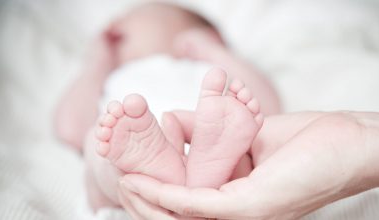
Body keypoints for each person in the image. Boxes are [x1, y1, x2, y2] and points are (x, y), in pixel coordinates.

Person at [54, 2, 280, 211]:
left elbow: (268, 109)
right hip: (127, 184)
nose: (114, 28)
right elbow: (70, 130)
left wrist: (214, 51)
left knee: (246, 144)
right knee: (98, 143)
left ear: (207, 35)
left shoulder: (209, 69)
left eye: (129, 21)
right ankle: (170, 174)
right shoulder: (111, 77)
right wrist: (97, 63)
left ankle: (201, 172)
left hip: (211, 155)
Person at [117, 110, 379, 219]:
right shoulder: (116, 66)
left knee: (115, 174)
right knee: (114, 162)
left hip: (163, 120)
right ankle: (199, 173)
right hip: (147, 128)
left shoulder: (218, 55)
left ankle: (173, 176)